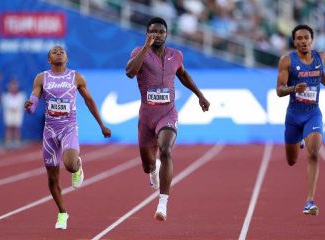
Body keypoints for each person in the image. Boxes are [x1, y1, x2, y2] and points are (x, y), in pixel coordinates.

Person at [125, 17, 210, 222]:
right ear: (147, 34)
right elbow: (129, 72)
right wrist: (146, 47)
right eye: (153, 32)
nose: (157, 35)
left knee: (165, 149)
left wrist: (200, 95)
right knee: (147, 165)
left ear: (167, 34)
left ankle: (162, 203)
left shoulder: (175, 55)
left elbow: (183, 75)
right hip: (147, 117)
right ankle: (152, 171)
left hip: (168, 114)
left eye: (161, 32)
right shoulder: (139, 52)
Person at [24, 45, 111, 229]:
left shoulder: (76, 77)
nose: (58, 52)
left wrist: (101, 124)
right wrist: (29, 106)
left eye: (61, 51)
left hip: (68, 127)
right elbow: (33, 103)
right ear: (49, 60)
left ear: (67, 58)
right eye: (54, 51)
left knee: (70, 165)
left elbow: (89, 100)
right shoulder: (42, 78)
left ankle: (78, 167)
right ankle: (62, 213)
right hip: (50, 131)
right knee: (52, 179)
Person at [276, 24, 325, 216]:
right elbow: (279, 90)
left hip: (313, 113)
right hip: (293, 116)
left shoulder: (320, 57)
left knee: (314, 153)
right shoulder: (287, 61)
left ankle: (309, 201)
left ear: (311, 40)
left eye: (306, 38)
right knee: (291, 160)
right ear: (294, 41)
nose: (303, 41)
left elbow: (321, 75)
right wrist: (293, 89)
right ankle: (299, 141)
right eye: (299, 38)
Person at [1, 78, 26, 149]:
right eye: (11, 85)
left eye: (14, 85)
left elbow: (23, 104)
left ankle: (16, 142)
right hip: (8, 113)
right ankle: (8, 142)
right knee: (8, 127)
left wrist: (17, 108)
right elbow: (5, 103)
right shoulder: (5, 95)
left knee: (16, 128)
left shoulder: (21, 95)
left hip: (17, 113)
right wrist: (11, 108)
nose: (13, 87)